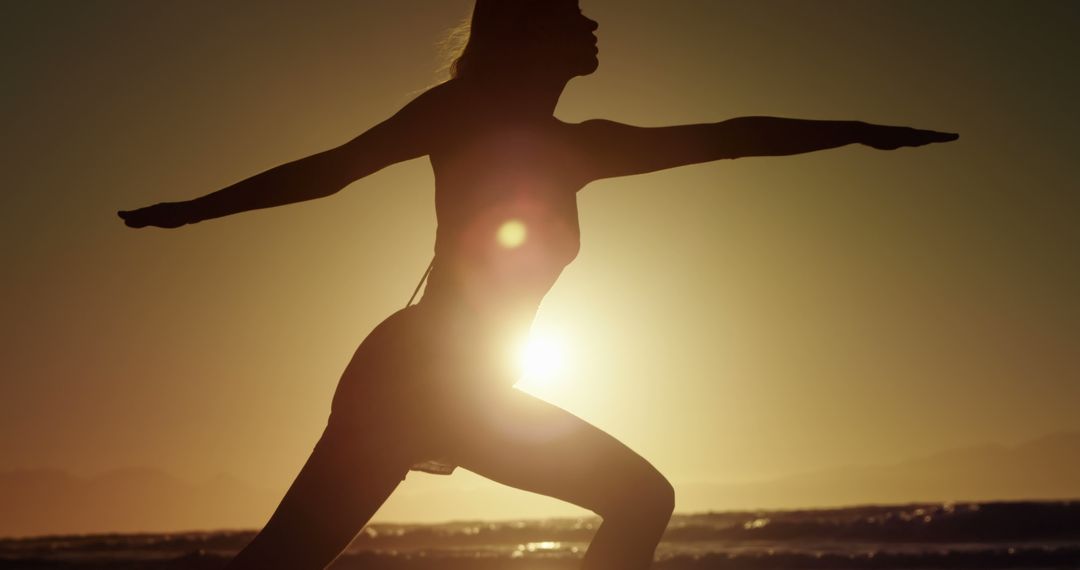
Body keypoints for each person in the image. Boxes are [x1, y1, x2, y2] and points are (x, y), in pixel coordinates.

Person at [117, 1, 957, 568]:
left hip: (441, 382)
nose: (593, 22)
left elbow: (730, 136)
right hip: (420, 376)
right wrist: (194, 210)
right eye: (570, 11)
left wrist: (854, 131)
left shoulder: (582, 146)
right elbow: (331, 172)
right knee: (641, 499)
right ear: (527, 33)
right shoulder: (457, 117)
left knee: (280, 561)